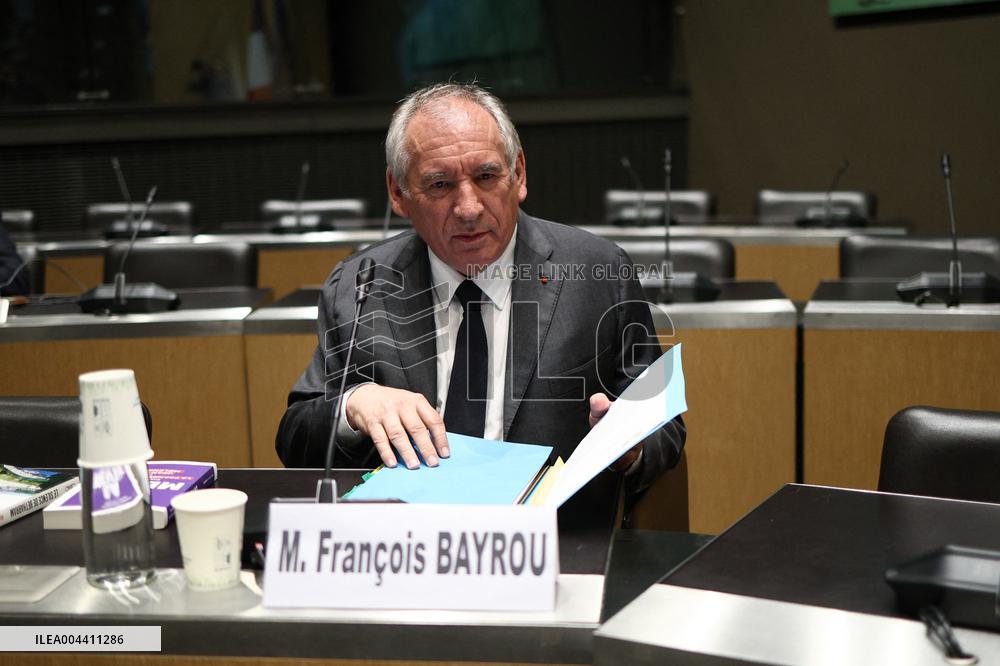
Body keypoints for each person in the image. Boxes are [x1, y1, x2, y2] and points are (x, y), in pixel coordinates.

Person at [276, 82, 684, 505]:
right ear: (398, 193)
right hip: (408, 545)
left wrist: (629, 446)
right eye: (439, 185)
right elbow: (295, 437)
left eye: (486, 176)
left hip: (554, 542)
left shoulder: (597, 274)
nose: (468, 207)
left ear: (519, 174)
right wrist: (353, 406)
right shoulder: (360, 284)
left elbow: (666, 430)